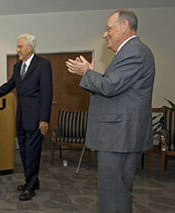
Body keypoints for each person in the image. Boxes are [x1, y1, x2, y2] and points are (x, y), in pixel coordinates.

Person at [65, 9, 155, 212]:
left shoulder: (135, 51)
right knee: (114, 192)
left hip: (120, 136)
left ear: (124, 26)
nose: (105, 34)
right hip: (118, 136)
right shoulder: (129, 52)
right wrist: (92, 76)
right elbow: (112, 87)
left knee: (114, 194)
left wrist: (87, 73)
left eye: (108, 29)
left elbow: (110, 86)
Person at [0, 33, 53, 201]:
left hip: (36, 118)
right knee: (25, 152)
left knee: (32, 153)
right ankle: (32, 181)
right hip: (21, 117)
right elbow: (9, 85)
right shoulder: (18, 67)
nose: (17, 50)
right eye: (17, 46)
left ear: (30, 48)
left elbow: (47, 94)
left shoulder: (43, 65)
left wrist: (44, 119)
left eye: (19, 46)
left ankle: (30, 186)